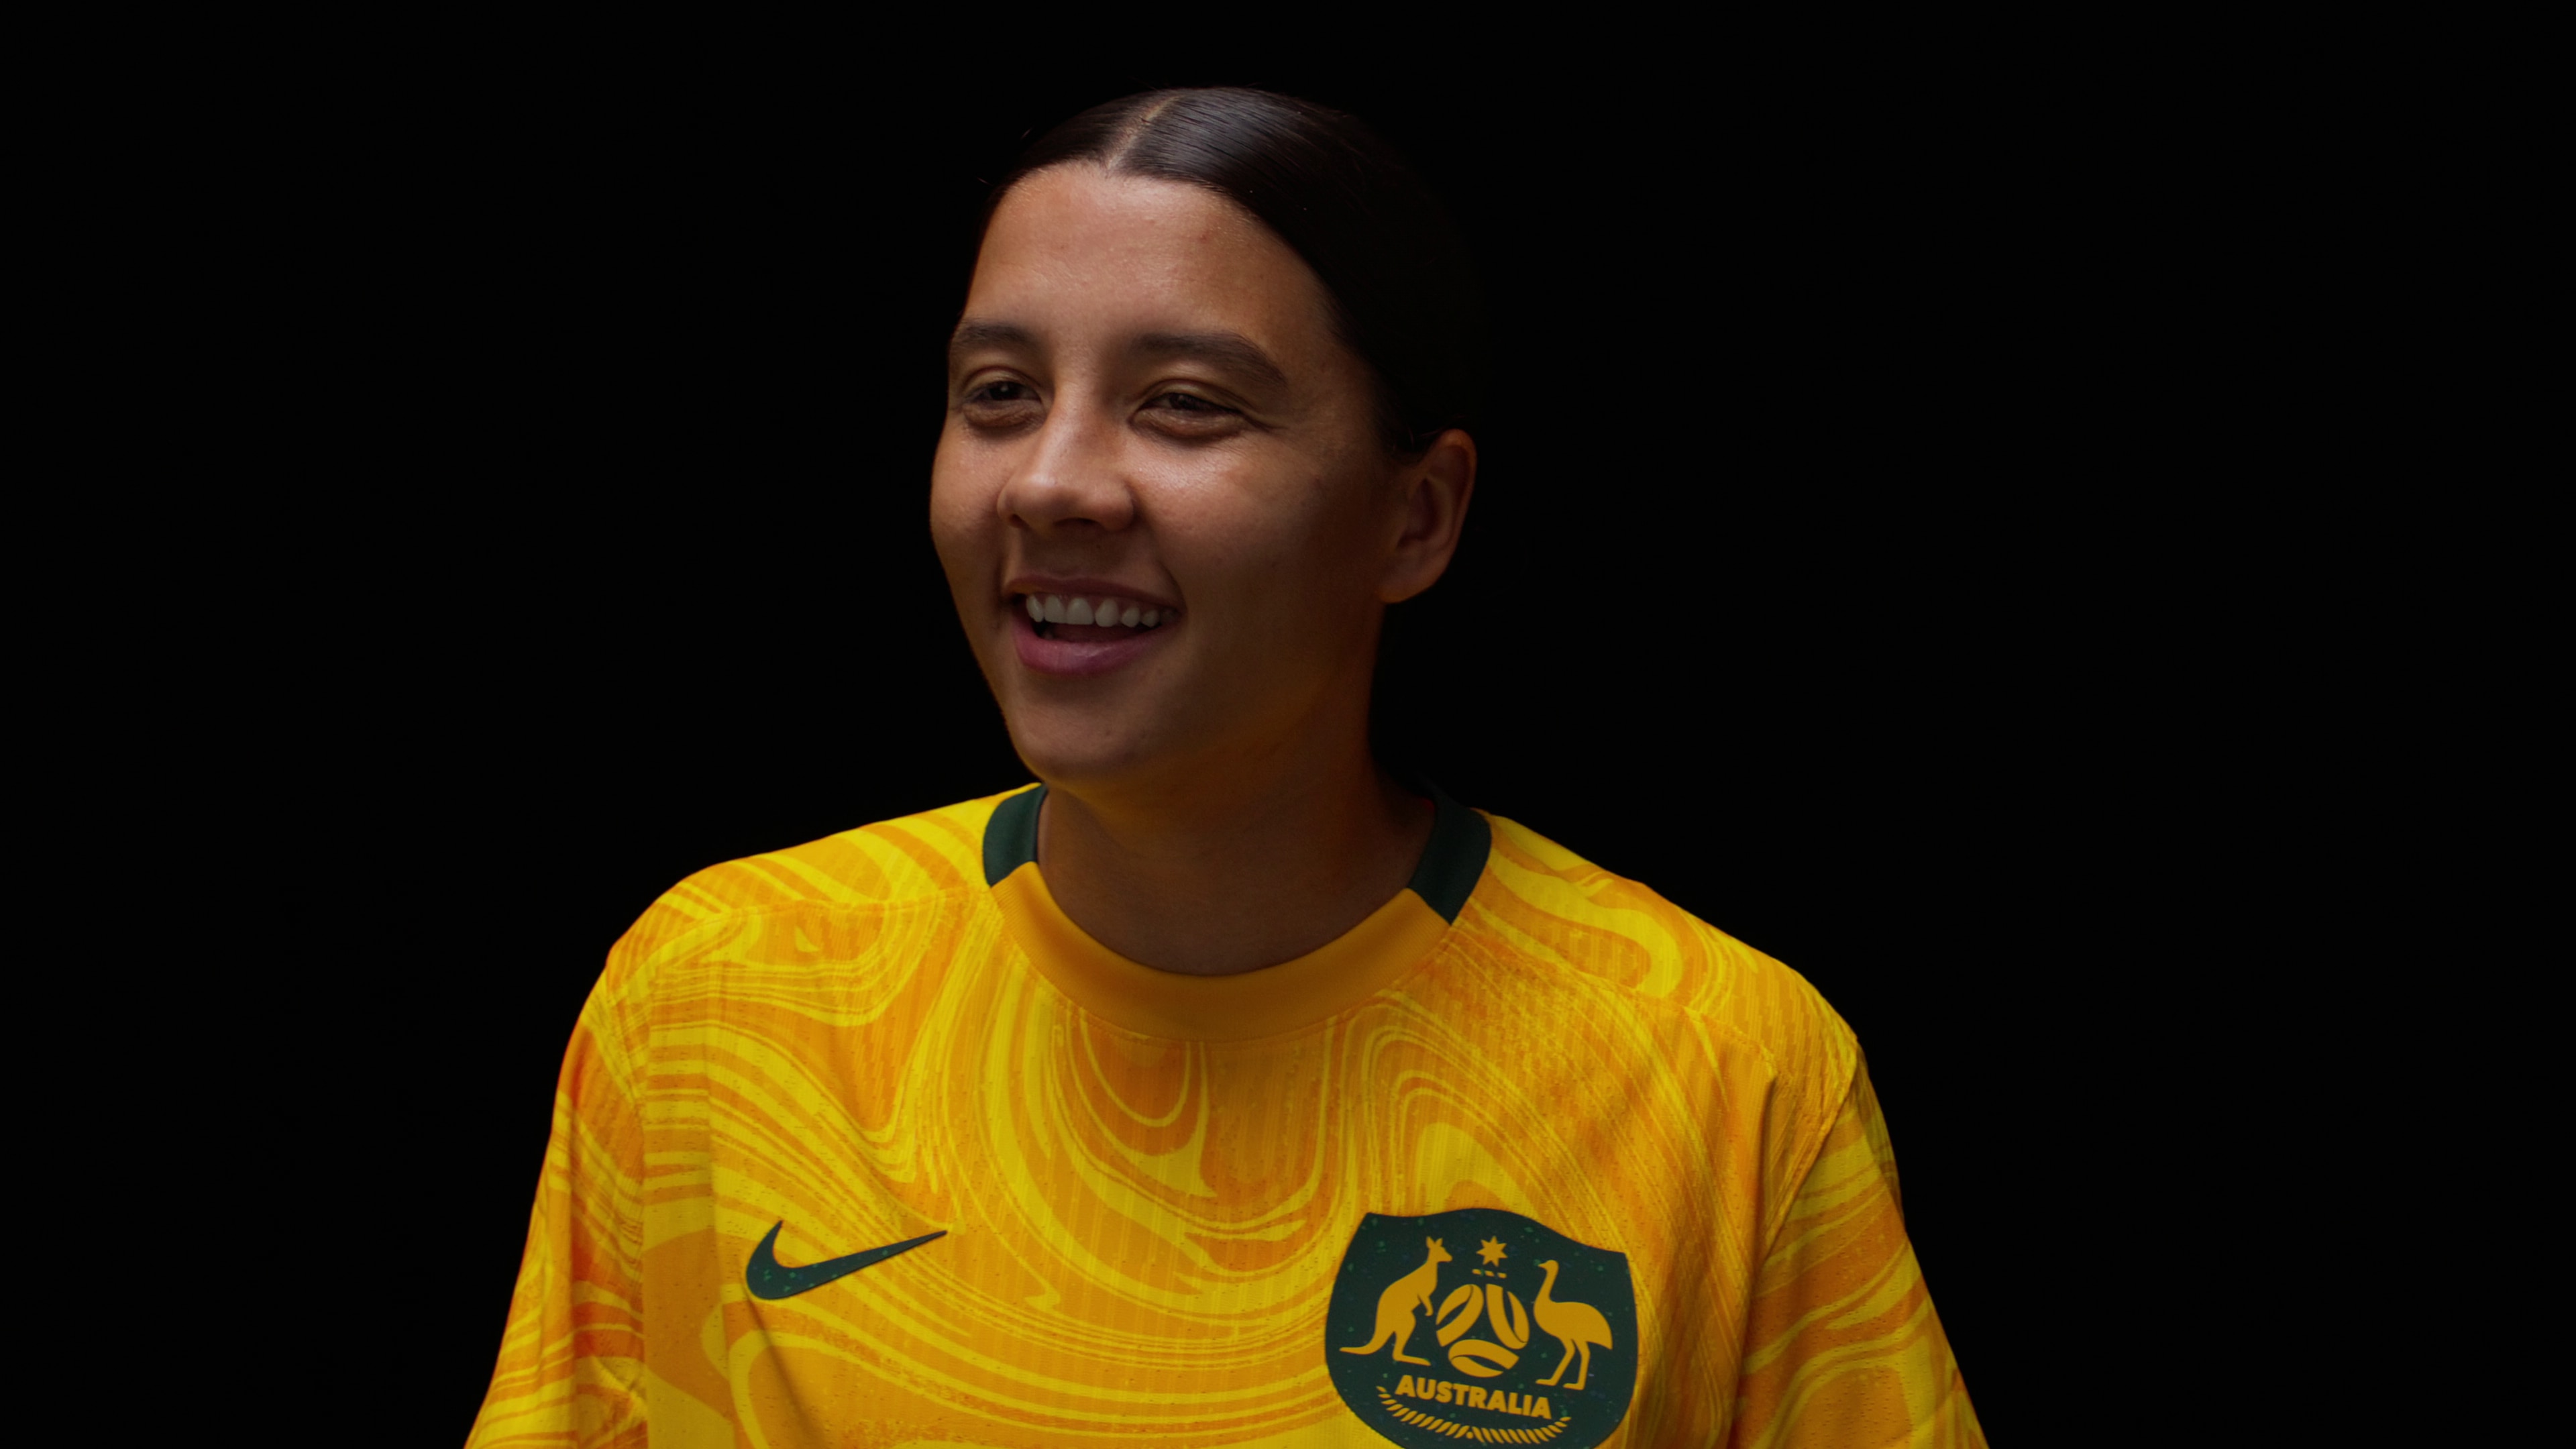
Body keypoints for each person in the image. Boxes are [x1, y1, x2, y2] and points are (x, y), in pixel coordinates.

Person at [470, 87, 1982, 1448]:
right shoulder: (718, 996)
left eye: (1185, 403)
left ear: (1419, 518)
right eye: (998, 393)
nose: (1054, 481)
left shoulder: (1724, 1067)